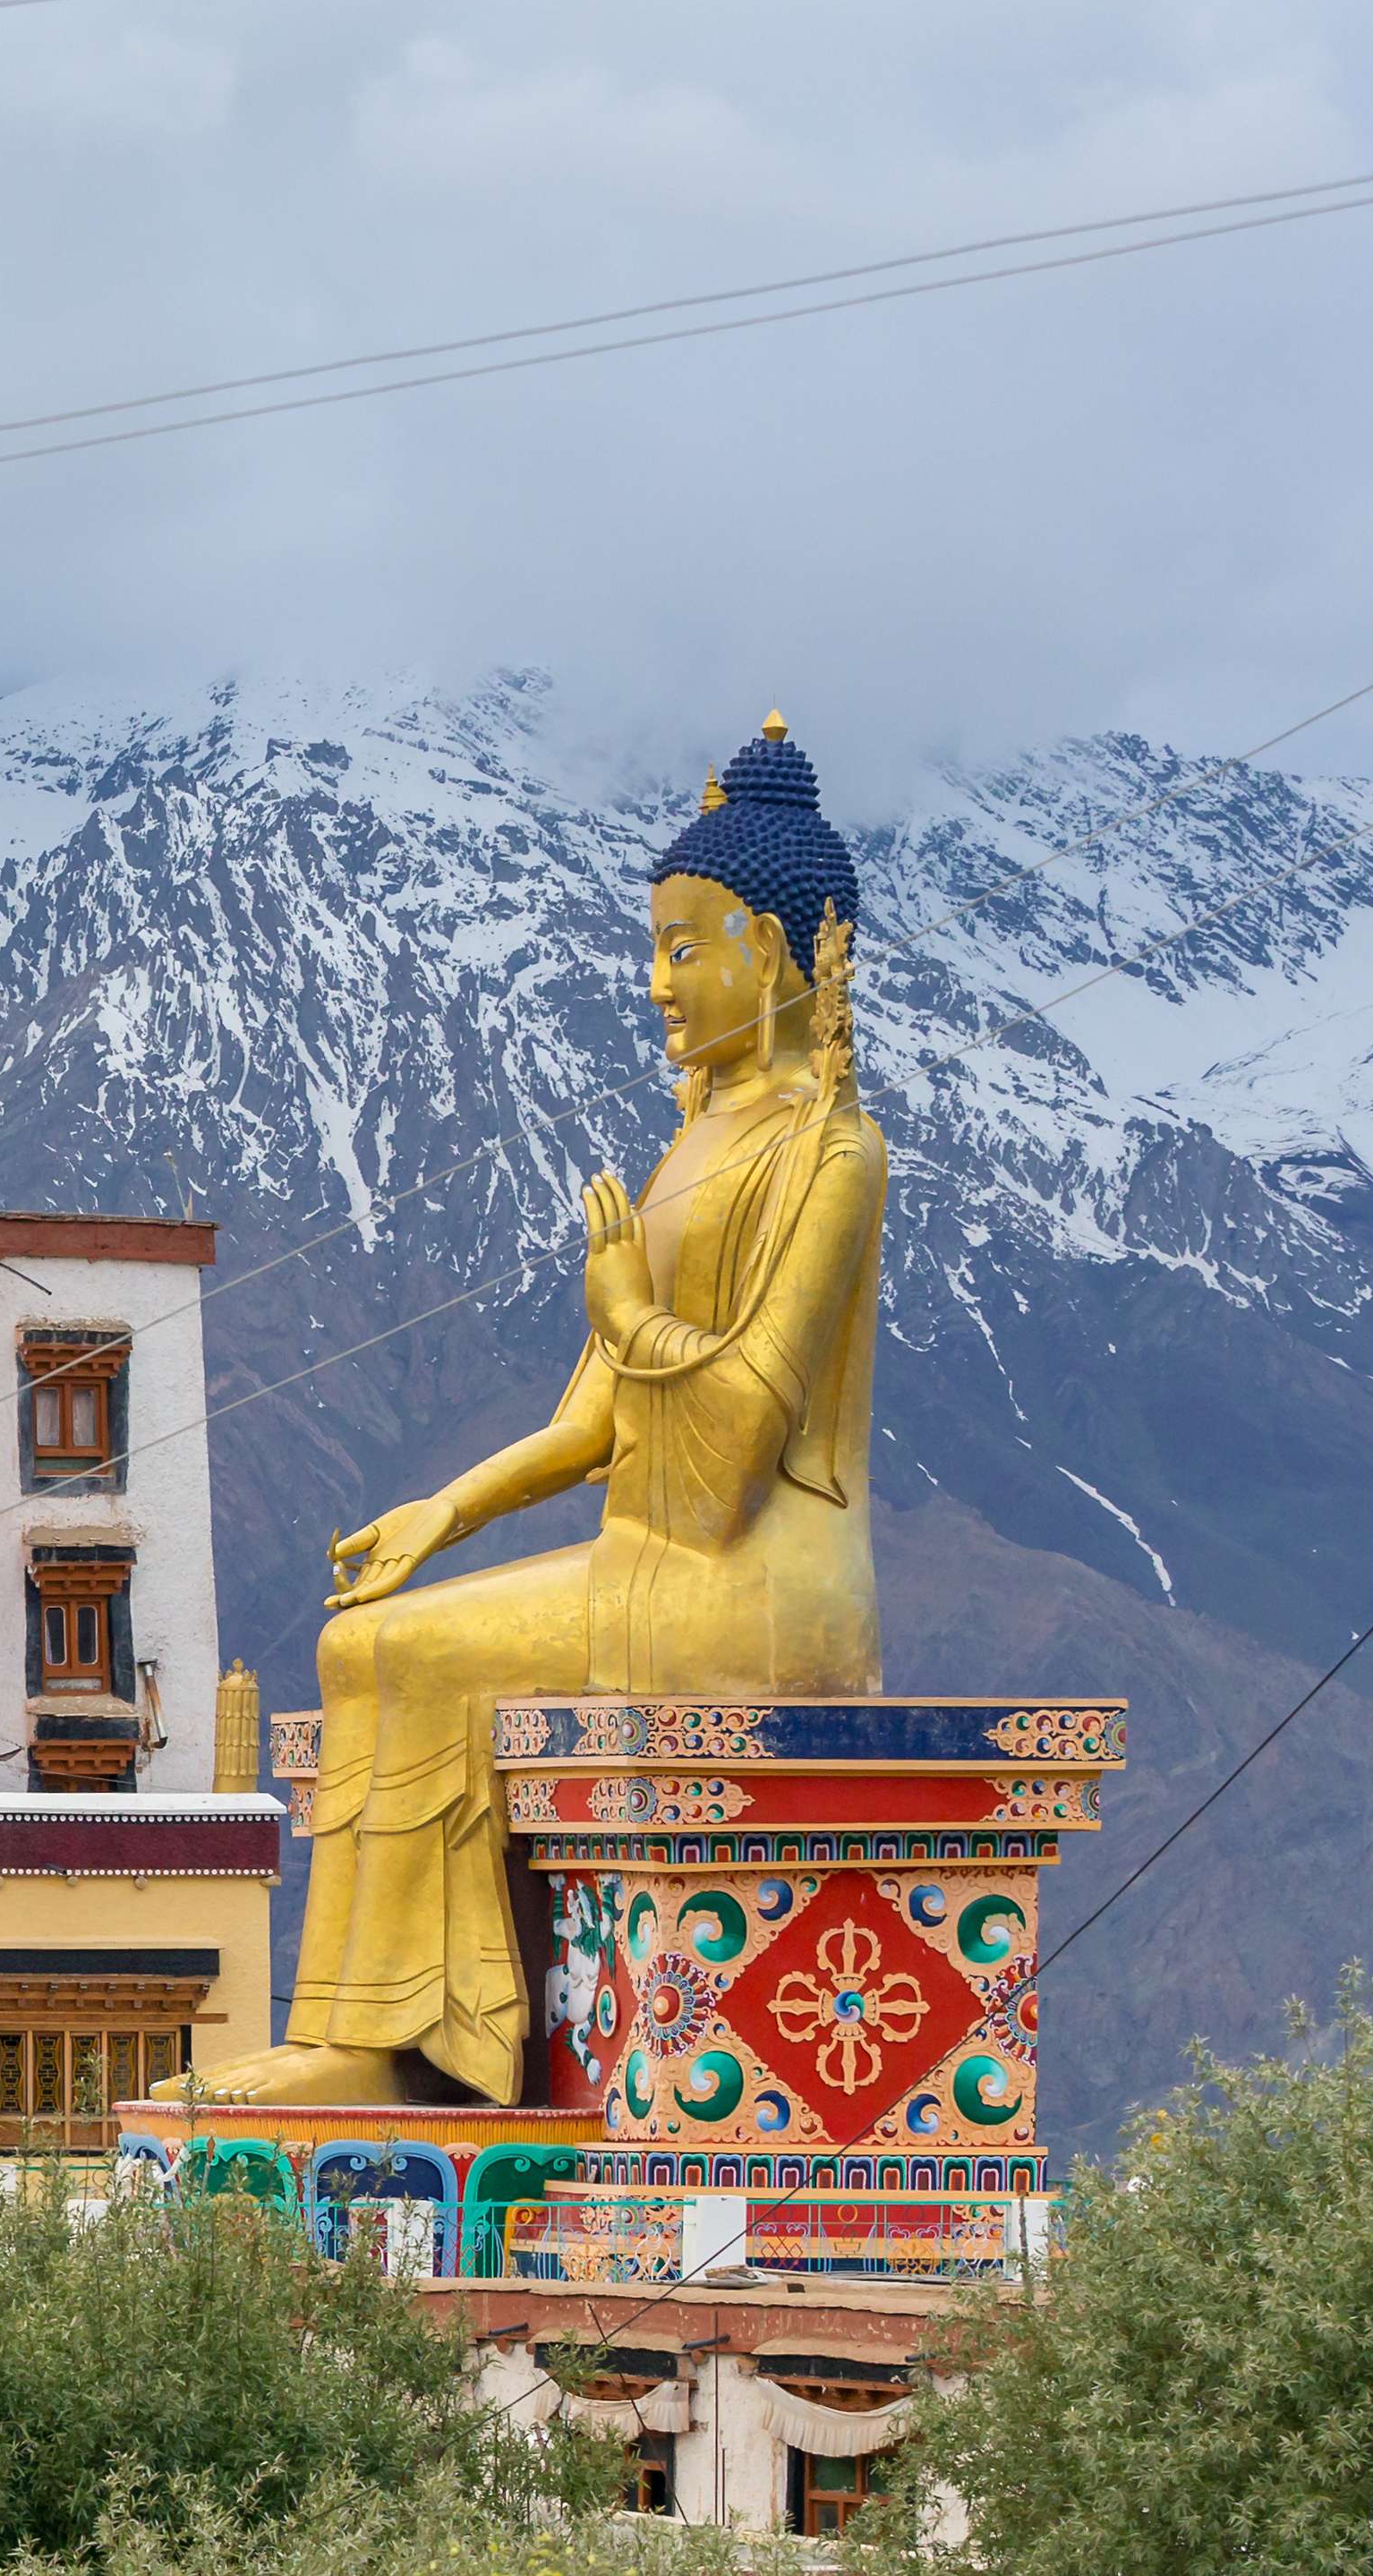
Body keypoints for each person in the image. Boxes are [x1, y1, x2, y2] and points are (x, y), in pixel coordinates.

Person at [195, 715, 886, 2111]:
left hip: (757, 1582)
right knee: (367, 1637)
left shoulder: (836, 1149)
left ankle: (400, 2050)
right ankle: (388, 2034)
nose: (657, 989)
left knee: (402, 1660)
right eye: (654, 950)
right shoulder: (695, 1140)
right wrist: (439, 1514)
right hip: (655, 1555)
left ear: (767, 950)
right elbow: (593, 1426)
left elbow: (742, 1424)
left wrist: (625, 1307)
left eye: (684, 951)